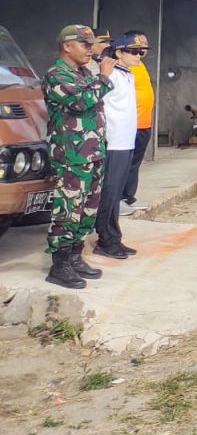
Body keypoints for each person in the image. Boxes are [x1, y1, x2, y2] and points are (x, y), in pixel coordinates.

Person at [43, 25, 116, 289]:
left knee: (87, 209)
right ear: (67, 46)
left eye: (90, 44)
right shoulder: (56, 75)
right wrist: (105, 78)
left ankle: (75, 256)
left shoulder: (84, 72)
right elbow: (82, 102)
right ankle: (59, 264)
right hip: (71, 155)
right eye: (84, 45)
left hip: (93, 152)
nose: (90, 49)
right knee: (68, 209)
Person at [94, 37, 141, 261]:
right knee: (109, 193)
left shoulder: (127, 74)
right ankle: (105, 239)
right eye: (133, 51)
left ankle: (114, 237)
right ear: (118, 53)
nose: (138, 55)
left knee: (116, 192)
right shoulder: (109, 72)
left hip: (126, 141)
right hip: (113, 142)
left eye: (141, 51)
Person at [117, 30, 153, 216]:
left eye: (143, 48)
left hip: (144, 123)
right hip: (130, 124)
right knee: (123, 163)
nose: (140, 52)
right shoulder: (122, 66)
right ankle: (118, 199)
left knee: (135, 163)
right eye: (136, 48)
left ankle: (129, 196)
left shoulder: (140, 64)